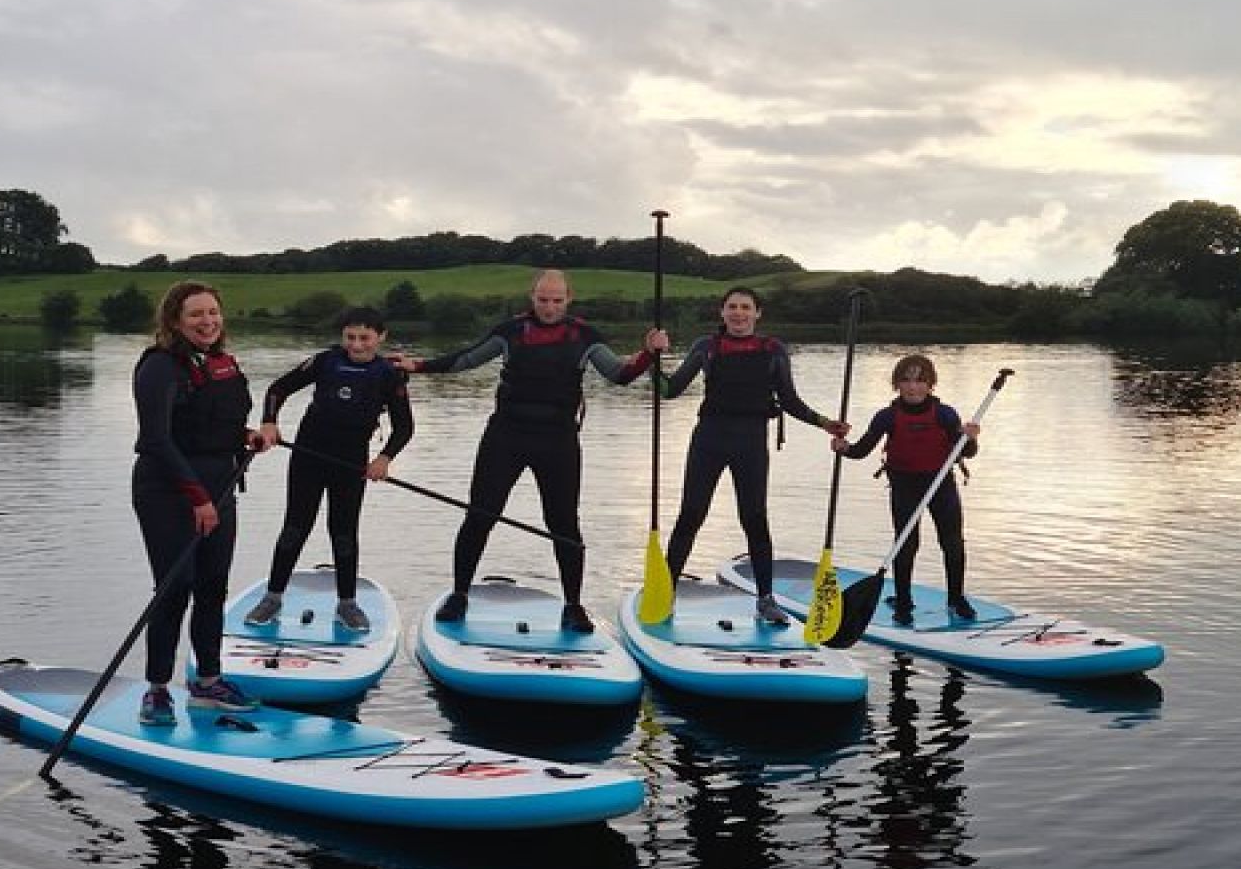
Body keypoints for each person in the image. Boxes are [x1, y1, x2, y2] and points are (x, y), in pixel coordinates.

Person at [390, 270, 660, 633]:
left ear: (569, 299)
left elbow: (620, 376)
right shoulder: (510, 332)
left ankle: (573, 606)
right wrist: (418, 365)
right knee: (480, 515)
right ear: (532, 298)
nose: (549, 307)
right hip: (507, 435)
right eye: (543, 299)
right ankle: (458, 595)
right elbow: (465, 360)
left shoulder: (585, 336)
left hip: (558, 440)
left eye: (557, 300)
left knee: (563, 525)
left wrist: (648, 354)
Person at [653, 287, 849, 625]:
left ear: (758, 314)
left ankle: (766, 599)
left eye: (746, 308)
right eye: (732, 307)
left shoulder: (773, 350)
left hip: (751, 442)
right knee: (691, 515)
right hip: (709, 439)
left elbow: (789, 401)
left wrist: (825, 423)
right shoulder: (706, 347)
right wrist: (652, 360)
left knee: (755, 519)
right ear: (722, 312)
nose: (739, 313)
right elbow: (670, 391)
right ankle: (665, 592)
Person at [130, 281, 267, 726]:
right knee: (174, 590)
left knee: (213, 588)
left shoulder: (221, 363)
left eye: (213, 313)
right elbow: (156, 439)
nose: (207, 322)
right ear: (174, 321)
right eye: (196, 315)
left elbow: (216, 424)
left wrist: (246, 436)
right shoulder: (159, 368)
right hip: (167, 490)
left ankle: (208, 684)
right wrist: (198, 498)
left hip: (219, 488)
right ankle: (156, 691)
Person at [246, 306, 415, 632]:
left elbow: (404, 427)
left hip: (351, 463)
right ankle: (272, 598)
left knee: (344, 533)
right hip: (308, 456)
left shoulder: (388, 375)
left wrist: (384, 458)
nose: (356, 345)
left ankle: (347, 604)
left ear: (381, 337)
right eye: (350, 337)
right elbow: (277, 389)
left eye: (365, 338)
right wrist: (269, 422)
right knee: (295, 528)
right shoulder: (325, 361)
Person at [832, 354, 981, 624]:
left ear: (930, 385)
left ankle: (956, 599)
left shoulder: (945, 414)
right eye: (907, 380)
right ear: (897, 384)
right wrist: (844, 449)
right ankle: (903, 602)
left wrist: (970, 438)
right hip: (904, 486)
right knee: (906, 543)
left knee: (953, 543)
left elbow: (967, 452)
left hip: (940, 485)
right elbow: (861, 450)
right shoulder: (887, 417)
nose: (913, 387)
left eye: (920, 380)